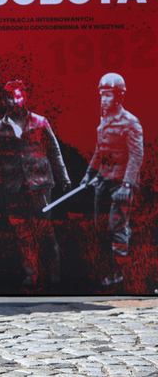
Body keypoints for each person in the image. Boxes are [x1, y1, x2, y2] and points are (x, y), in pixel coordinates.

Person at [0, 80, 70, 290]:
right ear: (4, 99)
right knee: (22, 232)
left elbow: (54, 150)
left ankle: (54, 272)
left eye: (18, 96)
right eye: (10, 97)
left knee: (44, 230)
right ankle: (31, 274)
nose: (14, 101)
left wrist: (64, 178)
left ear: (25, 96)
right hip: (14, 187)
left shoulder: (40, 122)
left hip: (40, 185)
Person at [80, 73, 143, 287]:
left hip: (121, 183)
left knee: (117, 227)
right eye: (102, 95)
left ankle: (122, 275)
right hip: (104, 180)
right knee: (100, 227)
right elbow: (99, 151)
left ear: (119, 96)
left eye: (108, 95)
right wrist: (89, 174)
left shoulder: (130, 123)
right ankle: (108, 270)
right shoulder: (104, 121)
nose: (104, 100)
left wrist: (127, 185)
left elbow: (136, 156)